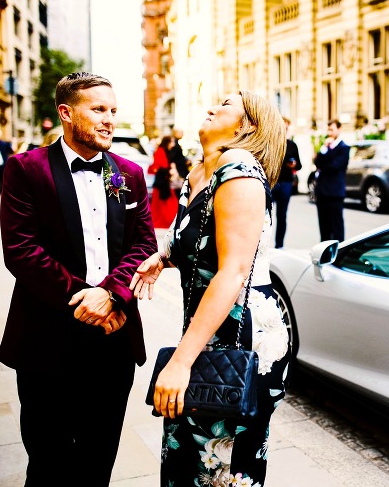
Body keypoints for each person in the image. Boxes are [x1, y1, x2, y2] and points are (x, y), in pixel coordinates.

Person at [0, 72, 157, 486]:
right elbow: (21, 250)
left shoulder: (127, 173)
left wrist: (111, 295)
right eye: (98, 109)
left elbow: (143, 243)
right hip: (47, 336)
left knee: (97, 460)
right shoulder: (26, 169)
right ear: (67, 113)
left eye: (113, 110)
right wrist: (87, 298)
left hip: (113, 337)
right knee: (48, 462)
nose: (109, 119)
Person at [130, 91, 290, 486]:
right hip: (207, 326)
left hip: (242, 331)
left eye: (227, 105)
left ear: (247, 126)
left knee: (221, 468)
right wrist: (163, 257)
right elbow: (201, 240)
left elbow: (233, 272)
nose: (212, 107)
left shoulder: (240, 170)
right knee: (186, 455)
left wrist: (180, 362)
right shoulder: (200, 172)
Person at [313, 119, 350, 243]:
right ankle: (325, 251)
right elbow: (317, 163)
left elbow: (334, 166)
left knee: (336, 226)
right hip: (322, 192)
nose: (329, 133)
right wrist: (324, 148)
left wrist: (323, 165)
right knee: (324, 227)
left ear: (339, 129)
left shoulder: (344, 148)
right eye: (328, 129)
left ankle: (339, 251)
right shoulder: (326, 147)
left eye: (332, 129)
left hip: (335, 193)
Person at [271, 117, 302, 247]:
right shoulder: (270, 142)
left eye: (286, 128)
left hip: (285, 184)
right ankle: (260, 244)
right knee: (264, 215)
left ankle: (279, 245)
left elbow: (299, 165)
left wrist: (293, 165)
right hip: (271, 182)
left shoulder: (292, 145)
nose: (284, 130)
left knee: (282, 216)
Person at [149, 135, 180, 229]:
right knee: (160, 206)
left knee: (168, 204)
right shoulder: (160, 151)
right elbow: (158, 167)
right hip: (161, 184)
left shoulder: (167, 152)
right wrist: (169, 171)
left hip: (165, 183)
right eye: (171, 142)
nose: (173, 144)